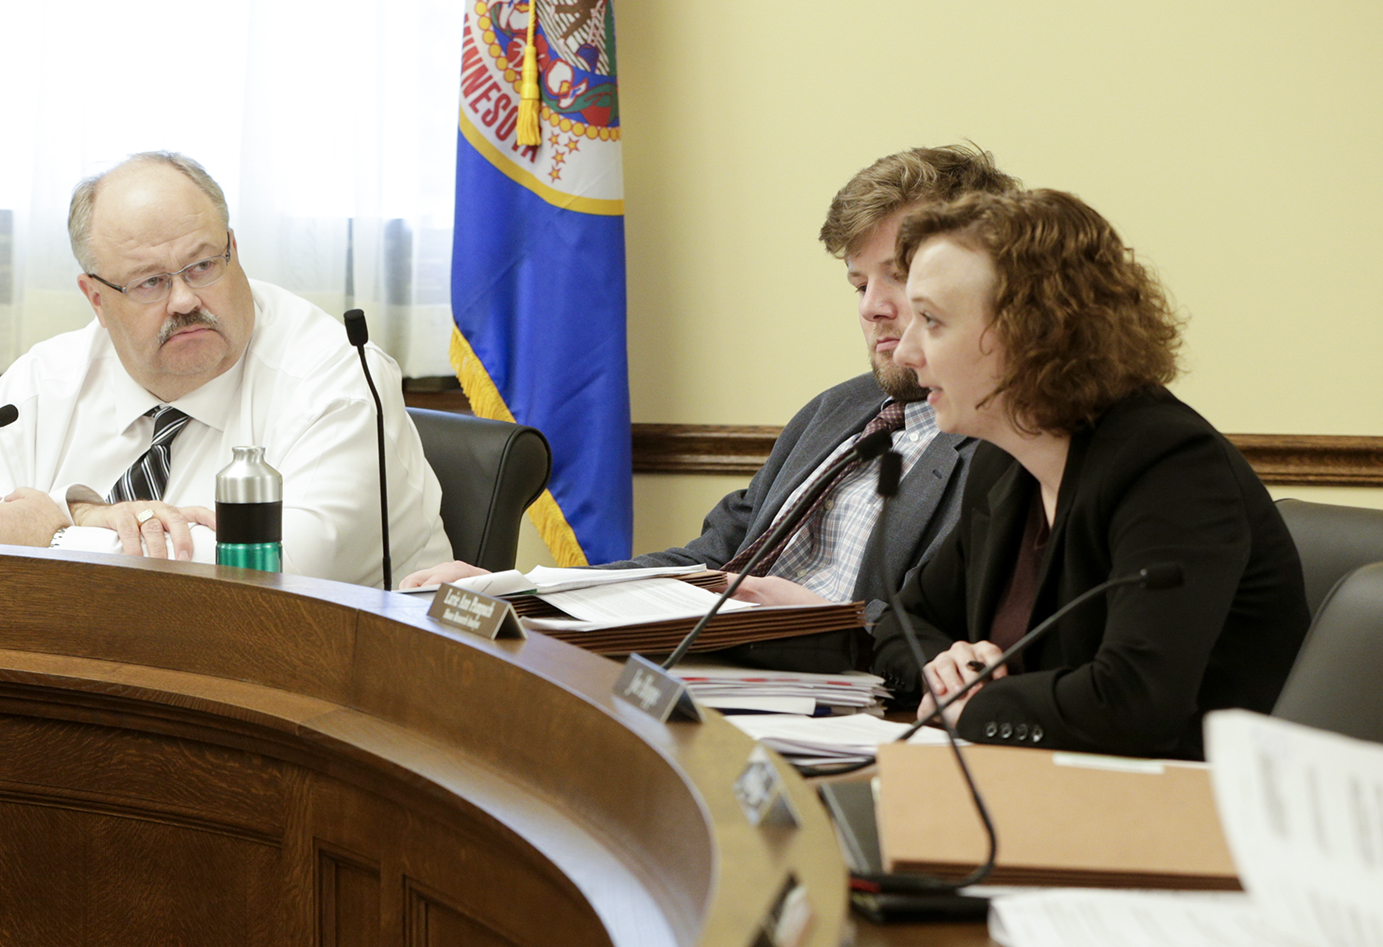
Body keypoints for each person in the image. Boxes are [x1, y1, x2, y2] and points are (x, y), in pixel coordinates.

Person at [403, 146, 1017, 672]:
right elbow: (709, 560)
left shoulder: (1006, 440)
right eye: (860, 284)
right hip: (713, 672)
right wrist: (525, 590)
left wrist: (834, 621)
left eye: (900, 278)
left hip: (843, 696)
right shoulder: (840, 409)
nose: (873, 307)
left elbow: (954, 634)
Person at [875, 188, 1308, 760]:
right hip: (1037, 789)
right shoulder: (1005, 462)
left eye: (930, 320)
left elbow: (1134, 702)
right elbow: (903, 621)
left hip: (1179, 816)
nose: (906, 352)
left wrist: (974, 708)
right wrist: (945, 668)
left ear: (1033, 333)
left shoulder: (1171, 469)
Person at [0, 151, 452, 587]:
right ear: (96, 299)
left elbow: (266, 572)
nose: (184, 300)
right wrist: (87, 519)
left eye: (202, 265)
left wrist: (60, 532)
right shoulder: (48, 381)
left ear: (234, 249)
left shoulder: (338, 380)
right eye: (150, 282)